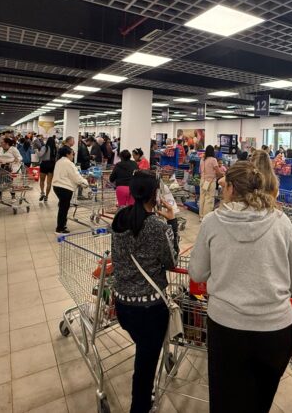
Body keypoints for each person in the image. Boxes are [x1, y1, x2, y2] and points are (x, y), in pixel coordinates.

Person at [189, 161, 292, 413]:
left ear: (232, 188)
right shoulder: (281, 222)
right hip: (275, 330)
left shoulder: (212, 222)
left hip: (226, 328)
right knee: (260, 399)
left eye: (224, 185)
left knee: (225, 399)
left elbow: (198, 272)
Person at [111, 172, 177, 413]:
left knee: (144, 351)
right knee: (145, 365)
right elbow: (171, 261)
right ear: (155, 195)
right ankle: (139, 406)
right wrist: (171, 223)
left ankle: (144, 395)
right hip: (150, 309)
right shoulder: (157, 227)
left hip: (123, 305)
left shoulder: (119, 220)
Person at [52, 146, 89, 233]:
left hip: (57, 186)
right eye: (73, 154)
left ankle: (62, 225)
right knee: (63, 208)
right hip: (65, 188)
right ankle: (60, 228)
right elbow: (76, 177)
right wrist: (86, 183)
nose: (73, 156)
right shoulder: (68, 163)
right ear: (67, 154)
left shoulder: (59, 161)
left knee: (63, 207)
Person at [199, 145, 224, 217]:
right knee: (209, 198)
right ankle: (206, 216)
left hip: (203, 180)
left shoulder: (202, 159)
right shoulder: (213, 160)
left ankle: (201, 215)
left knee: (202, 198)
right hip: (210, 181)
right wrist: (222, 174)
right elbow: (218, 172)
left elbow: (201, 170)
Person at [38, 136, 57, 202]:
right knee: (49, 182)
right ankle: (46, 196)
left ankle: (42, 192)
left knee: (42, 180)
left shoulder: (44, 147)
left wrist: (37, 152)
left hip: (44, 164)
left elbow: (40, 155)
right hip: (51, 165)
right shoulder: (55, 149)